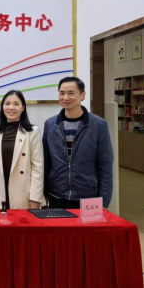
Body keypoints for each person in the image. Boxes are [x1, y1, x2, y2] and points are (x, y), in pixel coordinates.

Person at [43, 77, 114, 209]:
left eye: (71, 93)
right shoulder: (50, 124)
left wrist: (104, 201)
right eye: (62, 93)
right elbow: (46, 163)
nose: (65, 97)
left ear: (82, 95)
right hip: (57, 195)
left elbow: (106, 165)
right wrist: (43, 193)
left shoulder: (98, 125)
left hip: (88, 196)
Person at [0, 91, 44, 210]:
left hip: (24, 192)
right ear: (2, 106)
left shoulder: (32, 132)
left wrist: (35, 197)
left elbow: (38, 167)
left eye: (16, 104)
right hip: (0, 189)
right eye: (7, 103)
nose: (11, 107)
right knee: (2, 220)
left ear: (23, 107)